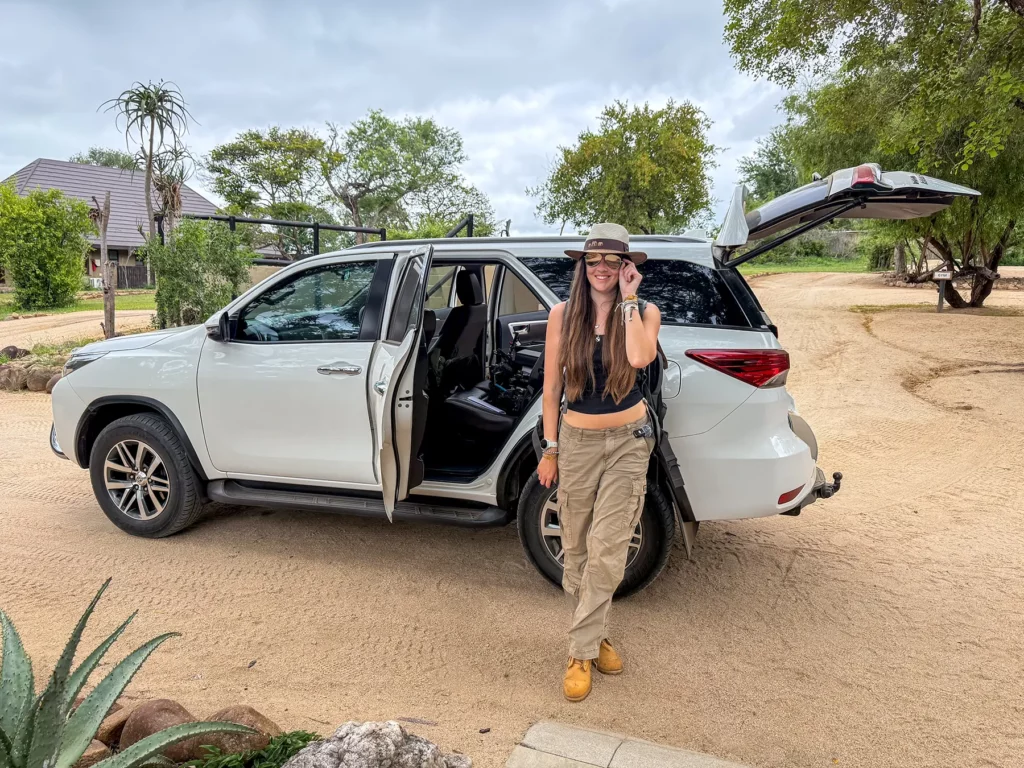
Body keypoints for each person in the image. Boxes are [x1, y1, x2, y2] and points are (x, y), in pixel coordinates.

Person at [537, 222, 661, 702]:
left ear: (627, 265)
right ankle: (598, 632)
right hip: (577, 442)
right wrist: (551, 449)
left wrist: (629, 299)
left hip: (629, 440)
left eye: (613, 261)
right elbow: (551, 390)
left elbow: (639, 356)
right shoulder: (562, 315)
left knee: (609, 545)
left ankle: (580, 651)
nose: (603, 269)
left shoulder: (646, 311)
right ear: (582, 265)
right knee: (576, 546)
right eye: (594, 261)